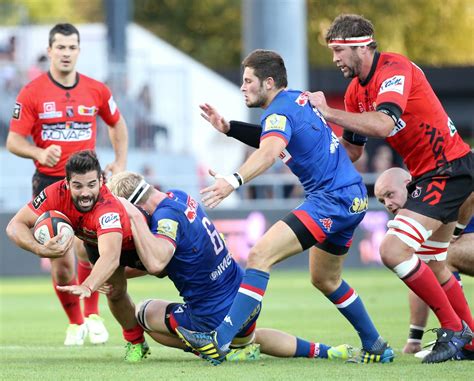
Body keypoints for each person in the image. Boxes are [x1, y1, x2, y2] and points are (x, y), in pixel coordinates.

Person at [175, 49, 393, 365]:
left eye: (248, 80)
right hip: (352, 197)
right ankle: (374, 344)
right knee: (325, 279)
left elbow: (268, 152)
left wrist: (232, 181)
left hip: (330, 201)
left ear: (269, 82)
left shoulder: (277, 114)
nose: (243, 87)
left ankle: (219, 340)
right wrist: (229, 128)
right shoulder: (294, 101)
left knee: (260, 255)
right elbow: (272, 138)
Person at [308, 14, 473, 363]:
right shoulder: (355, 92)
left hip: (448, 170)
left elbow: (384, 124)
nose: (334, 59)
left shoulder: (394, 69)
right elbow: (352, 150)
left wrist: (328, 112)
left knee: (393, 250)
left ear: (361, 47)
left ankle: (454, 330)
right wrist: (306, 153)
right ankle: (470, 339)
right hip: (433, 174)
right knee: (435, 262)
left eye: (338, 50)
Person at [107, 170, 355, 364]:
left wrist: (132, 225)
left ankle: (216, 348)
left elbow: (156, 264)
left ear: (134, 206)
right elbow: (165, 266)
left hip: (212, 315)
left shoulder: (164, 220)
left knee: (143, 312)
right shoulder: (178, 196)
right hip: (245, 301)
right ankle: (326, 351)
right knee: (248, 340)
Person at [6, 23, 129, 345]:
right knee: (60, 261)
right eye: (59, 47)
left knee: (87, 250)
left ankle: (93, 315)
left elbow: (117, 124)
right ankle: (75, 322)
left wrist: (121, 161)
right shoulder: (32, 92)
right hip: (50, 183)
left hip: (89, 183)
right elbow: (13, 141)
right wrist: (38, 152)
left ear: (78, 51)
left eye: (71, 47)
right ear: (49, 51)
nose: (65, 53)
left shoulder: (96, 89)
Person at [6, 151, 149, 362]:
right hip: (95, 243)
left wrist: (88, 285)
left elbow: (111, 256)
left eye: (92, 185)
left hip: (135, 245)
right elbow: (14, 226)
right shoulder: (54, 193)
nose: (85, 193)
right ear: (67, 183)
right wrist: (39, 249)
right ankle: (136, 342)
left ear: (101, 181)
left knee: (164, 268)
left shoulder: (107, 207)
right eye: (78, 186)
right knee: (115, 291)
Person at [374, 167, 474, 361]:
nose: (387, 204)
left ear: (408, 184)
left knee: (435, 258)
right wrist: (414, 340)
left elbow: (470, 192)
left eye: (389, 195)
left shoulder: (440, 178)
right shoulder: (428, 197)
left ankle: (457, 331)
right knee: (426, 262)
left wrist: (457, 230)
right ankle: (467, 342)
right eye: (382, 201)